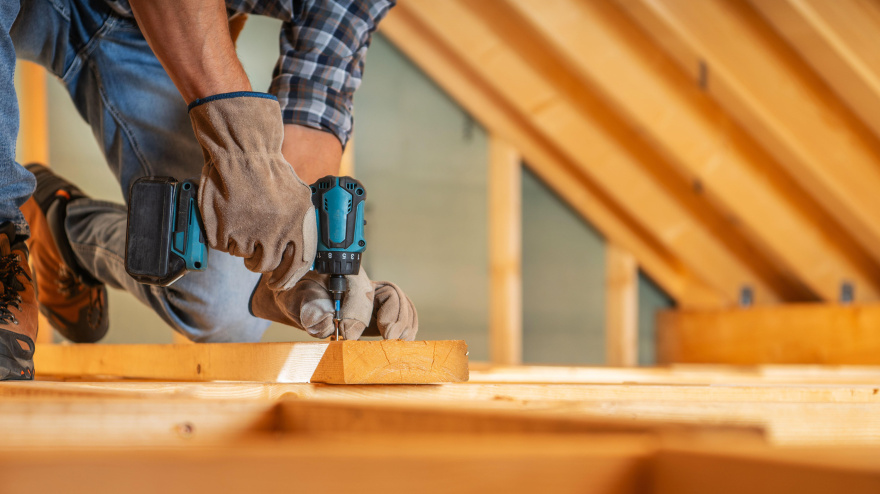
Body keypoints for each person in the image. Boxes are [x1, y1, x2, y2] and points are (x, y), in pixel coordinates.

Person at [0, 0, 418, 381]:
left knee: (226, 302)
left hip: (139, 33)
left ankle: (61, 232)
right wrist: (242, 153)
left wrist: (303, 263)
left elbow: (316, 98)